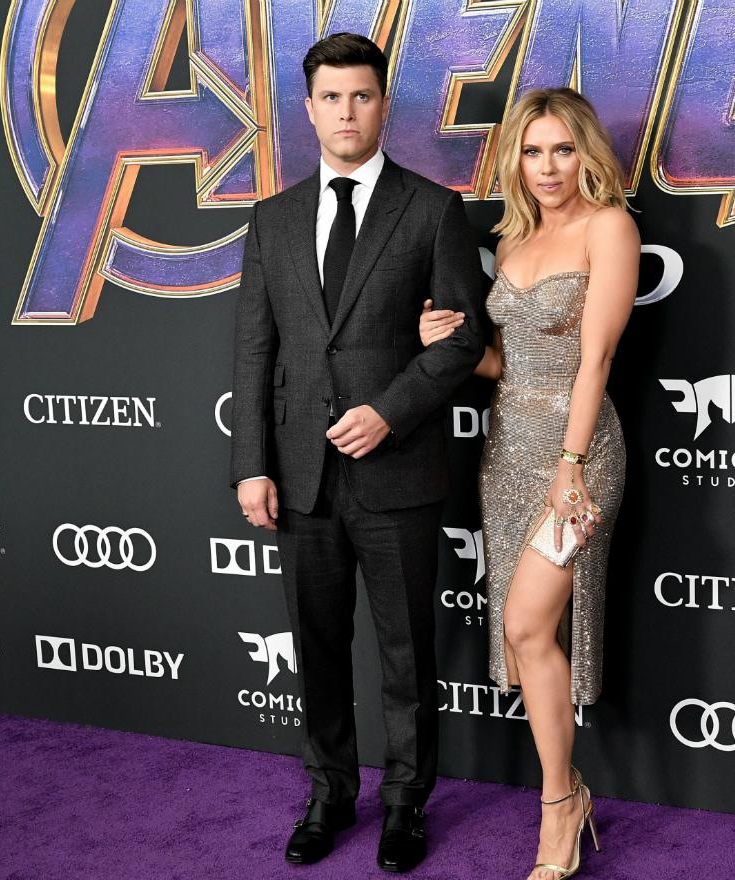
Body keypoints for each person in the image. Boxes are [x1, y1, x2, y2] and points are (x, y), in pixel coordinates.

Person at [229, 33, 485, 874]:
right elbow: (255, 354)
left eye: (362, 96)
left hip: (398, 472)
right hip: (299, 479)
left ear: (383, 105)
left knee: (409, 654)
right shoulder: (269, 219)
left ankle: (406, 805)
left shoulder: (434, 208)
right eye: (331, 98)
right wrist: (251, 464)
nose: (347, 111)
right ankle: (330, 792)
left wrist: (390, 410)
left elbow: (462, 340)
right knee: (319, 648)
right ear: (309, 110)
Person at [418, 87, 639, 880]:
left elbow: (595, 360)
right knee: (525, 633)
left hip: (578, 454)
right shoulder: (513, 242)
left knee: (524, 621)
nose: (548, 167)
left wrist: (570, 467)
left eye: (563, 149)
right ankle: (567, 794)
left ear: (588, 154)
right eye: (534, 150)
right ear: (516, 157)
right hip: (508, 448)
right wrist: (448, 342)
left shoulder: (609, 227)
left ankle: (557, 804)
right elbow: (511, 365)